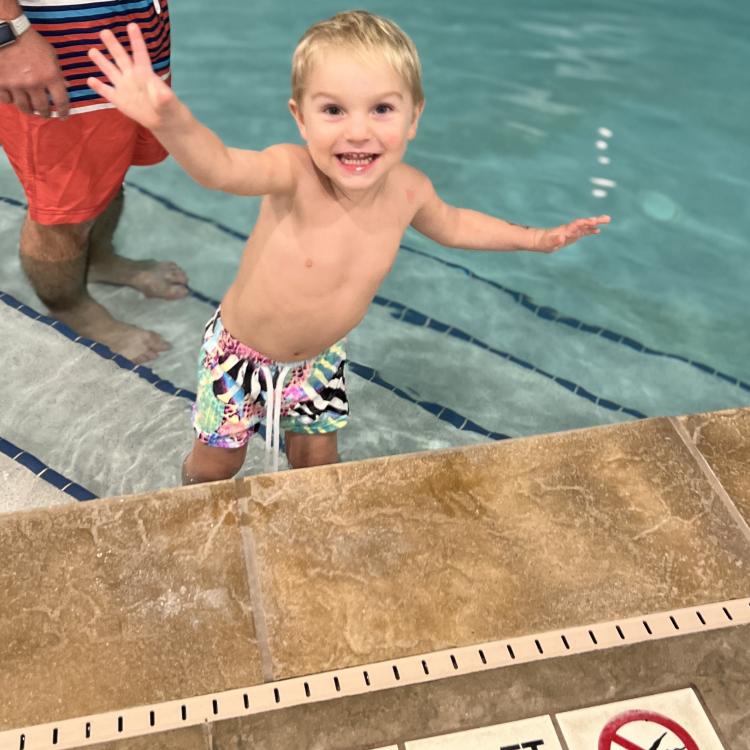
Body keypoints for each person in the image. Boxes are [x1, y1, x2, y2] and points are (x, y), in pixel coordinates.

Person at [87, 11, 611, 482]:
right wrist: (169, 120)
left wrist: (536, 240)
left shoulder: (410, 191)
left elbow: (455, 225)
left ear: (414, 116)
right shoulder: (292, 172)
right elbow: (220, 168)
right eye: (333, 110)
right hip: (238, 358)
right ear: (300, 117)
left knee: (318, 466)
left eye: (382, 109)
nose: (358, 132)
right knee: (218, 465)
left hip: (318, 360)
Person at [0, 0, 188, 364]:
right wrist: (8, 36)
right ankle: (72, 308)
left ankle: (99, 259)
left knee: (103, 172)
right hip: (50, 36)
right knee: (63, 208)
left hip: (131, 22)